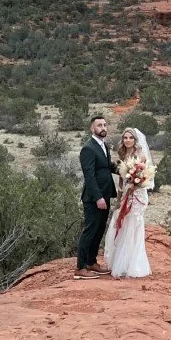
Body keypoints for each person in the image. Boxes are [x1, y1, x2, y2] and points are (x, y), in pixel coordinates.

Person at [104, 127, 154, 278]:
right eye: (125, 138)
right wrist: (119, 197)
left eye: (130, 138)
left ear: (135, 140)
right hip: (126, 192)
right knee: (123, 223)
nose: (127, 140)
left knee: (134, 225)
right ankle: (122, 262)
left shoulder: (141, 156)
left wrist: (135, 185)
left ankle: (134, 264)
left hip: (138, 195)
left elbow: (145, 176)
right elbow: (121, 178)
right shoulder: (122, 154)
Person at [75, 115, 117, 279]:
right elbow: (89, 176)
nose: (103, 128)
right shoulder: (88, 148)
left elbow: (108, 167)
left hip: (105, 196)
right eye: (99, 125)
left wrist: (129, 170)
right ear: (92, 128)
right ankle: (80, 267)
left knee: (99, 230)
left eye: (105, 125)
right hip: (94, 198)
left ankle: (91, 262)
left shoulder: (103, 145)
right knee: (90, 231)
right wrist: (98, 197)